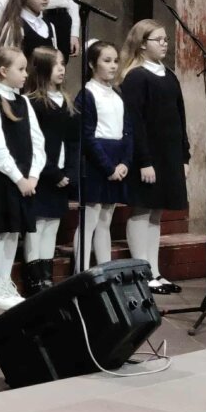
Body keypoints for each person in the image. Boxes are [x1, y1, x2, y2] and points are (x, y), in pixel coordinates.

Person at [119, 20, 189, 295]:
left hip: (169, 154)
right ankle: (141, 272)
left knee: (157, 212)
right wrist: (144, 160)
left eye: (165, 39)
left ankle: (154, 271)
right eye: (157, 39)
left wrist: (184, 156)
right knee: (143, 209)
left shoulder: (168, 75)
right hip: (147, 155)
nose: (164, 44)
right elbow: (135, 122)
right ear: (141, 44)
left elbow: (180, 116)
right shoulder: (136, 77)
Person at [0, 47, 45, 311]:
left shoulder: (24, 101)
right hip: (2, 178)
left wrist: (34, 175)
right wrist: (18, 178)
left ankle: (5, 281)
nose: (26, 74)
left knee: (14, 231)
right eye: (21, 69)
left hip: (25, 180)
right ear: (3, 71)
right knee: (1, 231)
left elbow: (38, 141)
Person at [23, 47, 78, 296]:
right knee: (36, 227)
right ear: (43, 68)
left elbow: (73, 141)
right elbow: (33, 144)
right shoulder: (33, 102)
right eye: (56, 65)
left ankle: (46, 276)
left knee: (52, 226)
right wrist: (52, 173)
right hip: (43, 176)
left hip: (62, 176)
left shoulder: (66, 101)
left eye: (63, 64)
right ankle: (34, 278)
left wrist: (70, 172)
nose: (62, 69)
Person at [75, 40, 131, 271]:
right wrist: (108, 167)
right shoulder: (87, 94)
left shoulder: (117, 93)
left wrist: (125, 162)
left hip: (117, 159)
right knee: (89, 219)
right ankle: (81, 271)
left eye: (115, 61)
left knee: (105, 220)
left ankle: (105, 270)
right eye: (107, 61)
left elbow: (127, 130)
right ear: (91, 64)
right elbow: (87, 136)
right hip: (97, 162)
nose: (113, 66)